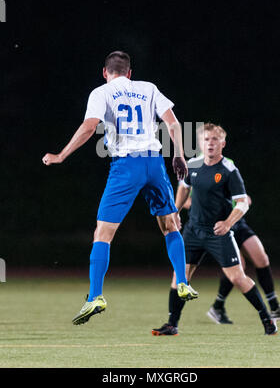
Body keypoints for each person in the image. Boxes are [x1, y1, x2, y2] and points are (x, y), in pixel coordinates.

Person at [42, 50, 198, 325]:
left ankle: (95, 296)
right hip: (154, 162)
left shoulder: (101, 93)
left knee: (103, 233)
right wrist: (180, 155)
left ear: (105, 73)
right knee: (171, 224)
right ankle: (183, 282)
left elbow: (89, 127)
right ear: (129, 73)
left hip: (126, 166)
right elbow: (172, 123)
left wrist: (62, 155)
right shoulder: (148, 88)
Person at [152, 122, 278, 336]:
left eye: (214, 140)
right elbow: (184, 188)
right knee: (179, 276)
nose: (210, 143)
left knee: (237, 277)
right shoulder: (192, 164)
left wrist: (228, 223)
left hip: (218, 233)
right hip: (193, 230)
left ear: (223, 143)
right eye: (206, 139)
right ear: (200, 143)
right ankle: (172, 324)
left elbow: (242, 203)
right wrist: (175, 212)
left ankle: (267, 319)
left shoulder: (229, 170)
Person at [207, 195, 280, 324]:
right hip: (219, 225)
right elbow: (187, 200)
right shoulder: (197, 176)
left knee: (261, 258)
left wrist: (242, 199)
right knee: (238, 265)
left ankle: (275, 307)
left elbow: (244, 197)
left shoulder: (231, 174)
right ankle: (218, 307)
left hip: (237, 223)